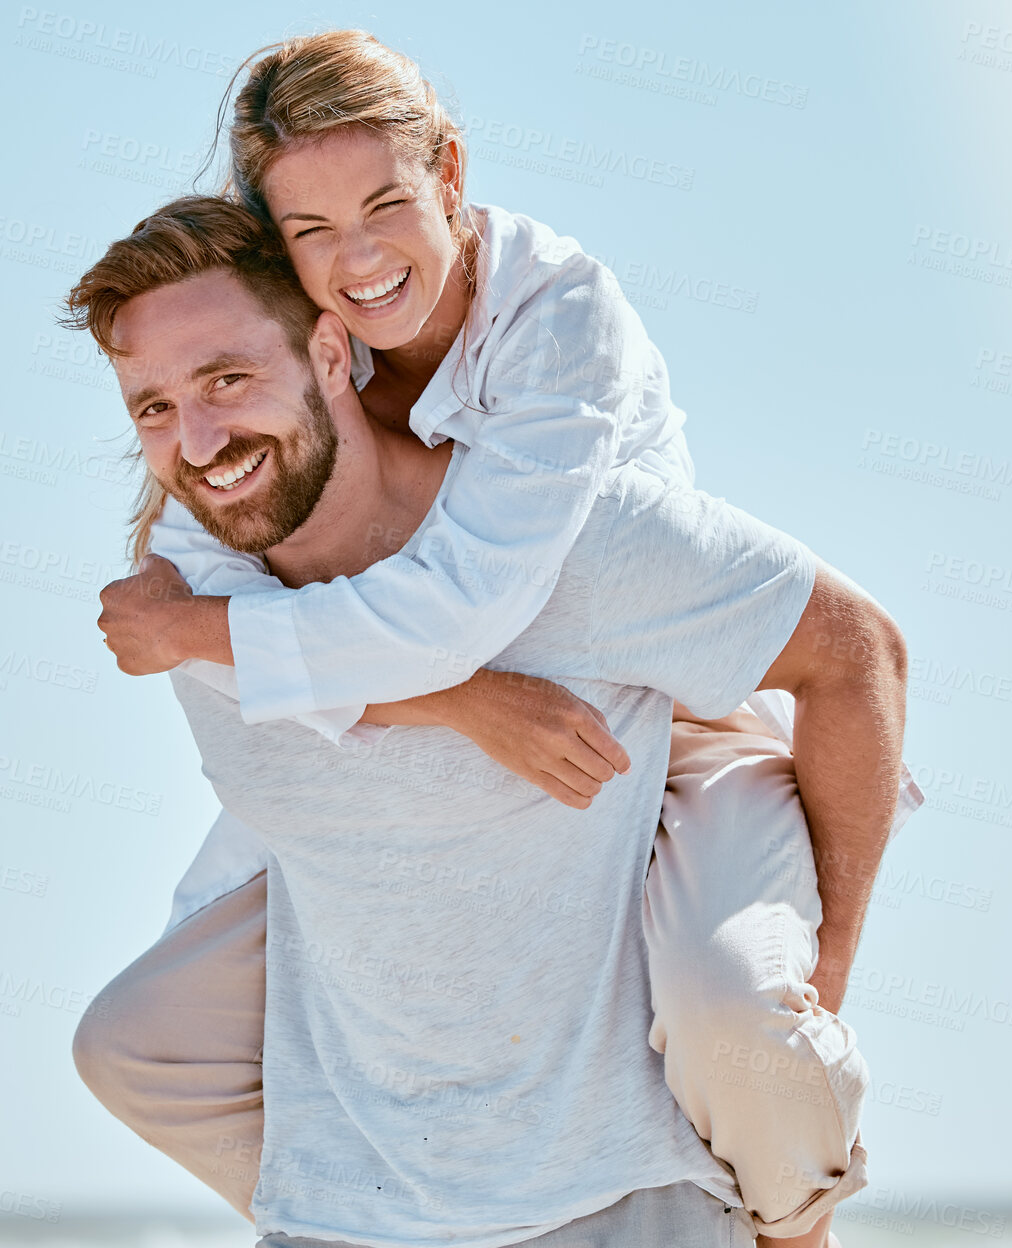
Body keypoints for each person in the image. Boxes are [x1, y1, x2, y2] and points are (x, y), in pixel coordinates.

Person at [71, 30, 920, 1247]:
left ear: (451, 175)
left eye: (385, 205)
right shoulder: (301, 375)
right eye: (309, 231)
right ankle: (408, 1205)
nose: (357, 261)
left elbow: (466, 611)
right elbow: (235, 517)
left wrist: (832, 961)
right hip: (417, 663)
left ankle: (780, 1222)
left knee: (738, 1017)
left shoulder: (554, 323)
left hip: (666, 695)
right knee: (141, 1038)